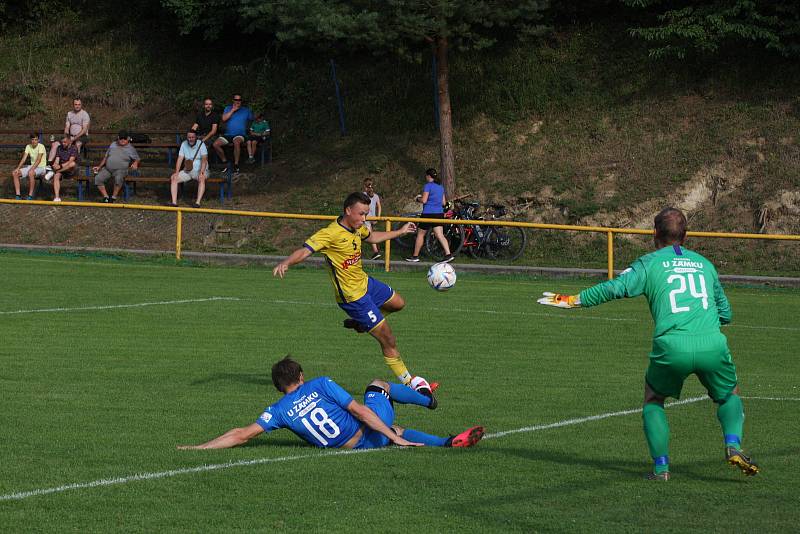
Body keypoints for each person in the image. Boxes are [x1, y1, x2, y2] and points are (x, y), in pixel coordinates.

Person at [537, 207, 759, 481]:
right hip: (711, 343)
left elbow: (614, 288)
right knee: (729, 394)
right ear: (686, 235)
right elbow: (726, 313)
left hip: (671, 346)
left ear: (654, 233)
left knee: (654, 399)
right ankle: (733, 444)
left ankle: (661, 469)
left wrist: (571, 300)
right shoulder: (706, 265)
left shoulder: (648, 263)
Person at [273, 192, 435, 395]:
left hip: (366, 284)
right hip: (353, 298)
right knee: (388, 339)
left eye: (366, 214)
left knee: (398, 303)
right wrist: (286, 262)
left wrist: (400, 232)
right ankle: (410, 383)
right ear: (348, 211)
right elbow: (305, 250)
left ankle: (363, 324)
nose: (364, 219)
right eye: (361, 214)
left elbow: (373, 236)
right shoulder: (330, 233)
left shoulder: (358, 227)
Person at [178, 357, 484, 451]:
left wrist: (198, 448)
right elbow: (360, 410)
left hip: (350, 447)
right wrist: (394, 438)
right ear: (300, 375)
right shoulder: (320, 384)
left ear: (278, 386)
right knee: (378, 386)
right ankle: (426, 398)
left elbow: (241, 434)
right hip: (369, 435)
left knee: (391, 428)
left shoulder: (279, 411)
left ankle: (444, 442)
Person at [405, 168, 454, 263]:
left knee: (420, 234)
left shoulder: (428, 186)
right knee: (440, 235)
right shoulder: (440, 187)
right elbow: (443, 203)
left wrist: (417, 198)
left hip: (428, 213)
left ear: (428, 176)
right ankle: (448, 254)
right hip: (439, 213)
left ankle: (415, 256)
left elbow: (424, 200)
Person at [92, 131, 140, 203]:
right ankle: (106, 197)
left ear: (128, 139)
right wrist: (99, 167)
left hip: (121, 170)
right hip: (108, 169)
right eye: (121, 138)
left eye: (124, 138)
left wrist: (135, 163)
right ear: (118, 138)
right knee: (98, 179)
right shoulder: (113, 144)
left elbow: (137, 159)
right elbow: (106, 157)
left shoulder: (130, 148)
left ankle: (113, 197)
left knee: (118, 178)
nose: (122, 140)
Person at [212, 94, 254, 174]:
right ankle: (225, 162)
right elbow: (224, 119)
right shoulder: (228, 108)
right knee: (215, 144)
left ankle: (236, 165)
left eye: (239, 100)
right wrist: (233, 110)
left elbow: (254, 119)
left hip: (240, 134)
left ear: (241, 101)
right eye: (236, 100)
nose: (237, 102)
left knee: (236, 141)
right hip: (228, 134)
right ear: (233, 100)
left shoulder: (246, 110)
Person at [169, 130, 209, 208]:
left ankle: (197, 202)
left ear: (196, 137)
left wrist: (201, 172)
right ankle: (174, 202)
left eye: (192, 137)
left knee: (202, 178)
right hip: (187, 169)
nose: (191, 139)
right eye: (189, 137)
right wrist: (176, 172)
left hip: (199, 169)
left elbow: (204, 159)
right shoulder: (184, 144)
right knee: (174, 178)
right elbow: (180, 158)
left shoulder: (201, 144)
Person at [11, 133, 47, 200]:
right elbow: (24, 159)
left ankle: (30, 196)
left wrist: (32, 169)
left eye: (35, 139)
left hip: (41, 167)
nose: (34, 141)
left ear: (38, 140)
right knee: (15, 173)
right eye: (32, 139)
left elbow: (38, 160)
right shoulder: (28, 146)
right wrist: (18, 168)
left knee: (31, 173)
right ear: (30, 140)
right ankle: (18, 195)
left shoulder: (41, 146)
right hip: (32, 166)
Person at [50, 134, 80, 202]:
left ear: (69, 141)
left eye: (65, 142)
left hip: (71, 170)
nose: (63, 143)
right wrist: (55, 164)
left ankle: (55, 171)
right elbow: (57, 159)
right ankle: (57, 197)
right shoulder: (59, 148)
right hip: (62, 169)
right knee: (56, 175)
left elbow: (70, 161)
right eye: (62, 142)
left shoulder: (74, 148)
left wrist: (59, 166)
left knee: (72, 164)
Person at [363, 178, 383, 260]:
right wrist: (377, 217)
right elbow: (379, 206)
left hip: (366, 217)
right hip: (373, 217)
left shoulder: (363, 194)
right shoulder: (376, 196)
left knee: (369, 234)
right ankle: (375, 251)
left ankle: (375, 252)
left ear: (365, 186)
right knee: (366, 233)